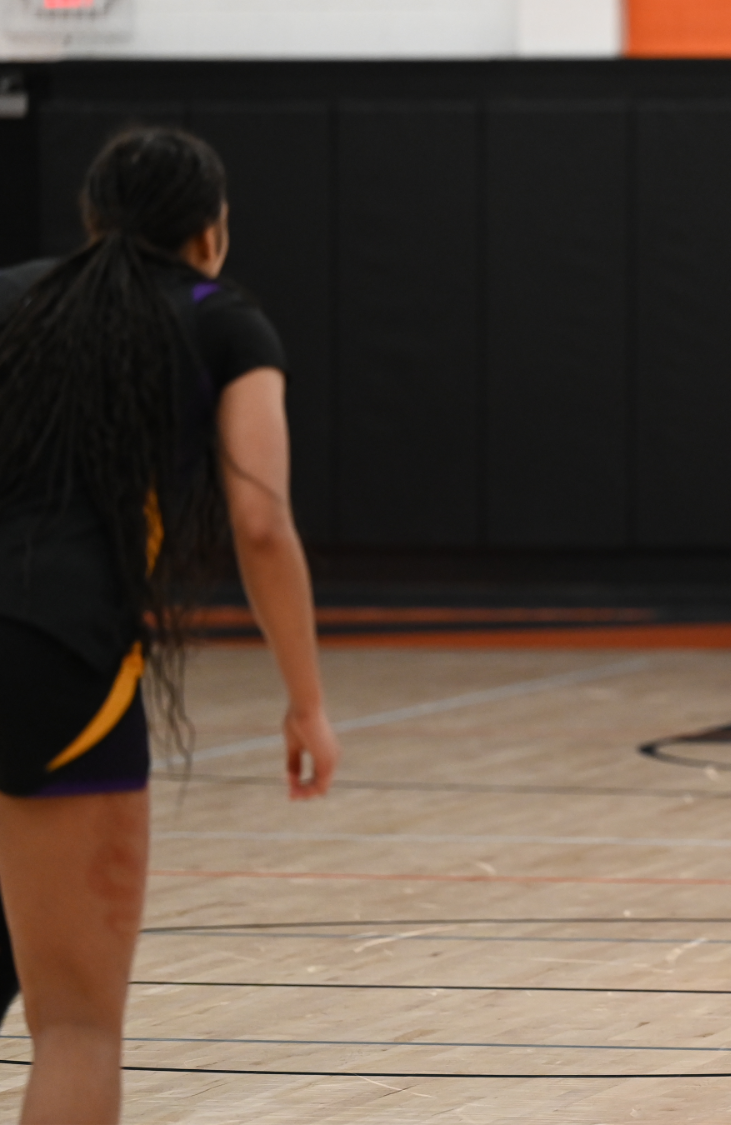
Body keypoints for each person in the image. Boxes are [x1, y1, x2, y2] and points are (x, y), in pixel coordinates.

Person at [0, 126, 340, 1123]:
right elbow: (261, 522)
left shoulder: (10, 297)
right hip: (58, 653)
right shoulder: (220, 319)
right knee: (75, 1026)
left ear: (92, 224)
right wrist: (306, 703)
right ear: (211, 236)